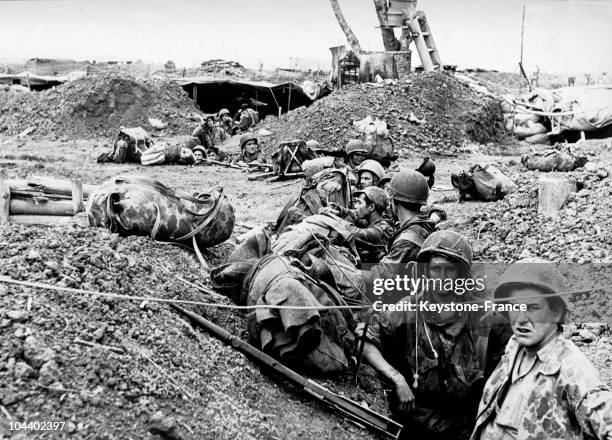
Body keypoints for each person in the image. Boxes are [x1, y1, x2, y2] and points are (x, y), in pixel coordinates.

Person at [358, 231, 512, 440]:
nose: (441, 277)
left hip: (467, 425)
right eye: (435, 269)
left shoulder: (485, 316)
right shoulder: (409, 308)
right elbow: (365, 340)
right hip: (417, 422)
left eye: (449, 270)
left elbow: (512, 363)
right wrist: (397, 378)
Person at [471, 259, 612, 440]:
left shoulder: (572, 369)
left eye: (533, 307)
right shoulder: (514, 349)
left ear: (557, 313)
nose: (521, 319)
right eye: (515, 307)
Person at [321, 186, 393, 263]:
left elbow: (354, 233)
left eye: (359, 203)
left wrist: (332, 219)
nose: (355, 206)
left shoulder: (383, 230)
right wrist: (339, 211)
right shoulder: (371, 221)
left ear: (371, 207)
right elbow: (354, 216)